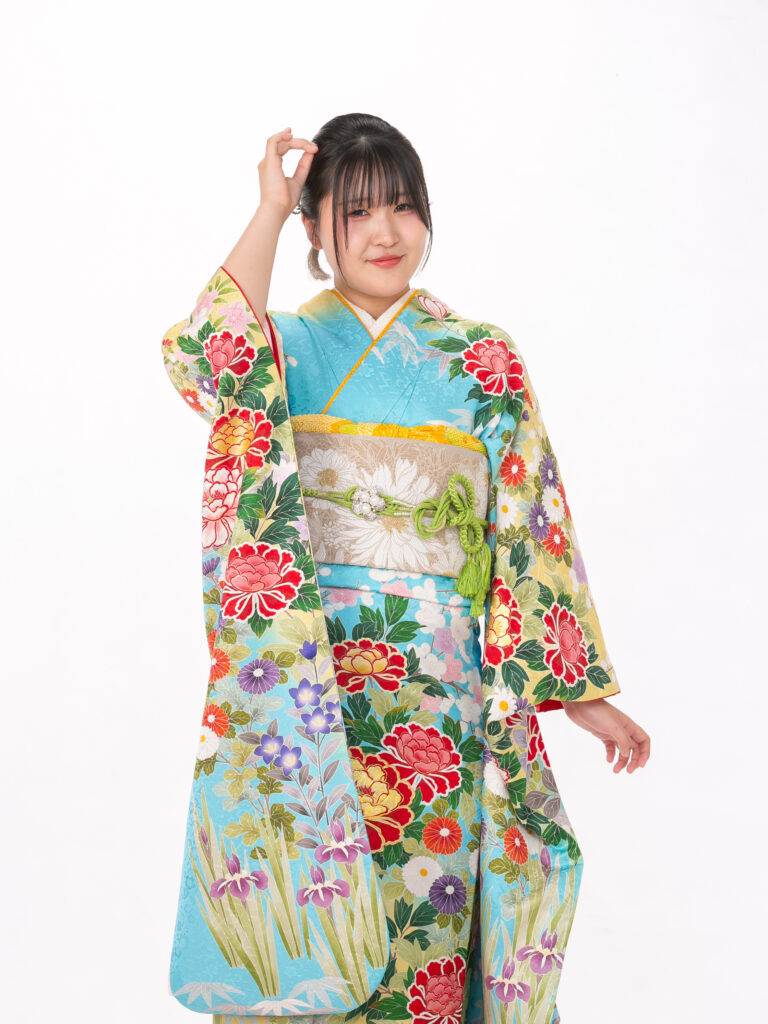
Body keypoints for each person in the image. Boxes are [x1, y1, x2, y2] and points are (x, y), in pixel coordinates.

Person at [161, 113, 650, 1024]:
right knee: (310, 929)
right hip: (310, 697)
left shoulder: (482, 361)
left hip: (440, 706)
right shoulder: (286, 350)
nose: (385, 233)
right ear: (316, 229)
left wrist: (575, 688)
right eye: (354, 212)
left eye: (402, 206)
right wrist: (267, 209)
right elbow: (203, 353)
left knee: (427, 936)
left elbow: (530, 520)